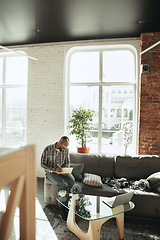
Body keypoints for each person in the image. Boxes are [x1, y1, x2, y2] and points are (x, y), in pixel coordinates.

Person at [41, 136, 75, 222]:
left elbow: (67, 162)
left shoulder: (66, 150)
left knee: (72, 180)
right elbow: (42, 164)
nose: (65, 147)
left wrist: (65, 170)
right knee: (61, 183)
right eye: (64, 145)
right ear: (60, 141)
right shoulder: (48, 149)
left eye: (66, 146)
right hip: (51, 172)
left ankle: (68, 203)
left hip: (62, 171)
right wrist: (53, 170)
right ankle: (62, 210)